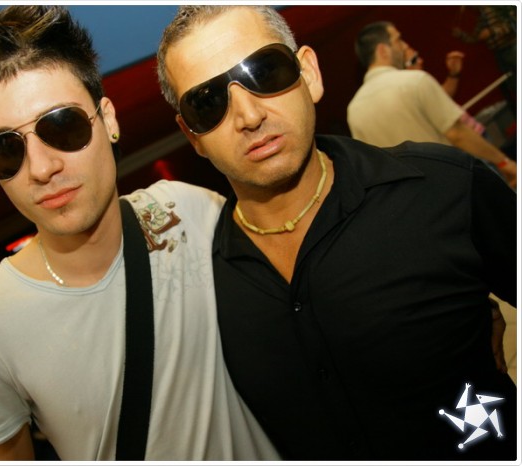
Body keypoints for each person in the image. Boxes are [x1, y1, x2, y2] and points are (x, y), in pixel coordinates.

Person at [156, 5, 517, 460]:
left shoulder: (444, 188)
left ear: (309, 73)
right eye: (208, 102)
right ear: (192, 135)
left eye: (264, 71)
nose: (248, 115)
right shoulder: (202, 287)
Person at [0, 5, 279, 461]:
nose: (41, 168)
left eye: (62, 125)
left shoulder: (188, 211)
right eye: (4, 149)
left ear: (109, 119)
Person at [347, 21, 516, 188]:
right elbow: (457, 133)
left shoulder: (354, 110)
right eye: (398, 40)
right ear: (383, 50)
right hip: (453, 184)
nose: (404, 46)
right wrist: (504, 162)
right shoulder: (415, 81)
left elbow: (374, 167)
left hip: (414, 198)